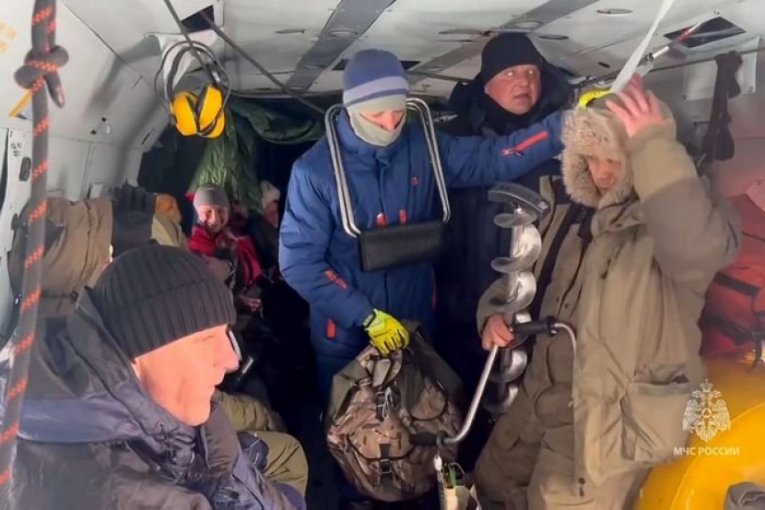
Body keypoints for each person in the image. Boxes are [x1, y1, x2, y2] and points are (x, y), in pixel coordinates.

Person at [473, 76, 739, 509]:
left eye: (614, 158)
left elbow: (697, 247)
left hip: (606, 424)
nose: (601, 172)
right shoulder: (573, 211)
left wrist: (654, 145)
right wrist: (494, 313)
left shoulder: (675, 223)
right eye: (591, 158)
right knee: (487, 485)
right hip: (540, 399)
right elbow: (525, 275)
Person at [279, 48, 564, 405]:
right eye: (375, 115)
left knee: (420, 420)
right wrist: (364, 316)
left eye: (397, 112)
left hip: (416, 327)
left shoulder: (423, 145)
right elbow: (299, 263)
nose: (389, 124)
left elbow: (492, 159)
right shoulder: (314, 172)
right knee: (349, 429)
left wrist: (564, 128)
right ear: (350, 110)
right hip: (347, 338)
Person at [8, 245, 305, 509]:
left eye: (225, 333)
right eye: (205, 339)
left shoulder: (102, 401)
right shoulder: (118, 496)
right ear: (138, 350)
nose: (231, 360)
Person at [434, 33, 573, 396]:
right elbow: (497, 159)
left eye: (531, 72)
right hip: (461, 307)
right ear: (487, 83)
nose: (524, 81)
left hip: (533, 311)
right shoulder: (452, 139)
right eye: (510, 73)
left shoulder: (568, 149)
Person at [188, 184, 264, 313]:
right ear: (198, 214)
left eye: (220, 210)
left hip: (257, 290)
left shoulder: (236, 233)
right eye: (208, 211)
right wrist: (236, 301)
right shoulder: (197, 247)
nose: (215, 218)